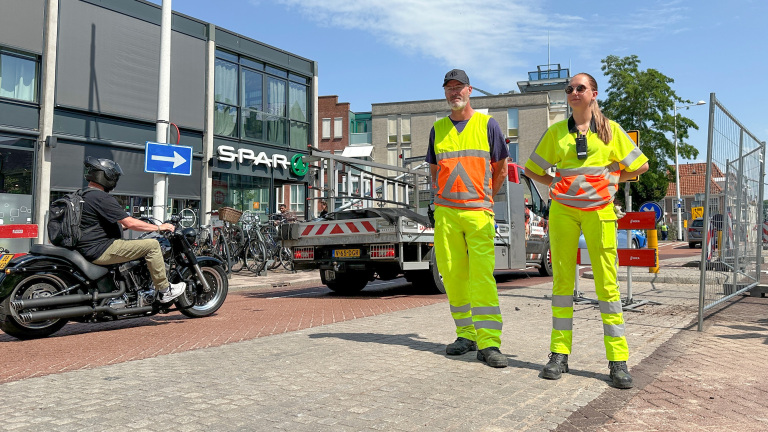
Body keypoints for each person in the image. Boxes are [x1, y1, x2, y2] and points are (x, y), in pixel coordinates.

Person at [524, 73, 649, 388]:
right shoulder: (556, 133)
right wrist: (556, 184)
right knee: (563, 282)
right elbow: (531, 169)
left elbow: (641, 165)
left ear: (594, 93)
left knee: (607, 286)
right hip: (564, 212)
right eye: (569, 89)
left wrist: (614, 177)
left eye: (580, 88)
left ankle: (618, 361)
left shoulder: (610, 131)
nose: (573, 92)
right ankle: (558, 355)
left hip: (599, 213)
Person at [426, 69, 510, 368]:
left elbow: (501, 168)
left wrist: (486, 197)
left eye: (458, 87)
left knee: (481, 278)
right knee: (453, 275)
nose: (454, 93)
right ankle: (466, 335)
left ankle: (488, 343)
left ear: (469, 90)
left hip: (478, 213)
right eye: (448, 88)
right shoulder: (437, 129)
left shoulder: (488, 125)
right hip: (447, 213)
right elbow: (435, 172)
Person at [76, 157, 186, 303]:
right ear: (105, 176)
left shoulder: (83, 195)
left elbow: (96, 225)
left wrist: (124, 226)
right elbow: (130, 222)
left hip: (87, 247)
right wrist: (159, 227)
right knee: (152, 245)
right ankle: (164, 290)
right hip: (100, 249)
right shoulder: (101, 197)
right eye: (114, 176)